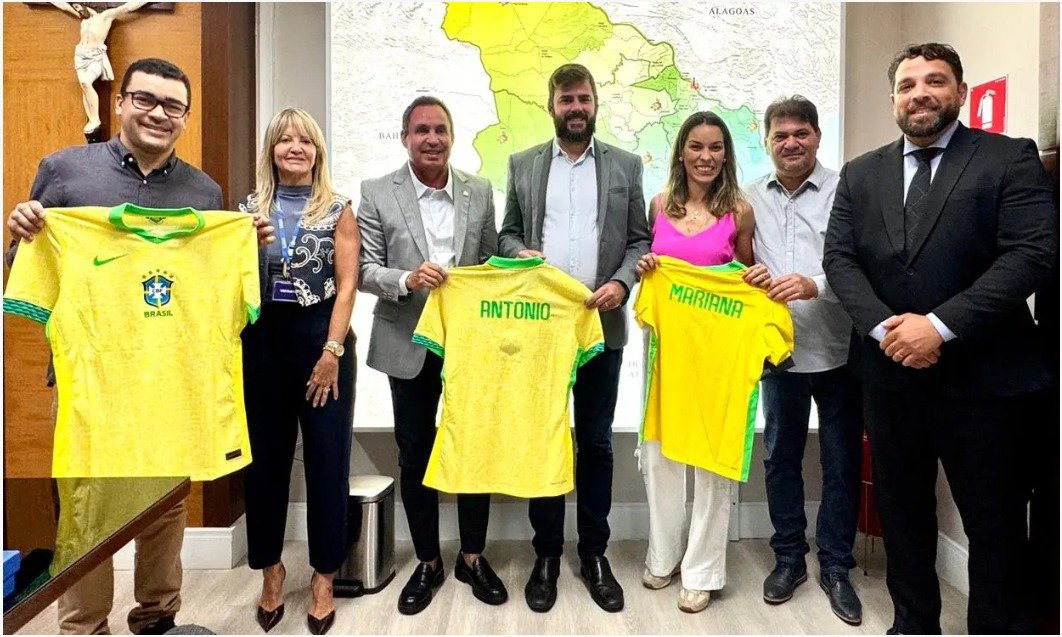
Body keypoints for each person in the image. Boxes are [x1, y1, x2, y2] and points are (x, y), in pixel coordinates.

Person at [5, 57, 272, 636]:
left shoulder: (204, 191)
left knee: (166, 500)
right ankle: (84, 626)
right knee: (88, 503)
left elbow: (213, 282)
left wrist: (247, 246)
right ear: (121, 102)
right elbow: (27, 268)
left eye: (172, 105)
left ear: (185, 117)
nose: (158, 114)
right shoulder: (65, 172)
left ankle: (157, 616)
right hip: (93, 381)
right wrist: (21, 233)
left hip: (172, 376)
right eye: (145, 100)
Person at [822, 42, 1056, 634]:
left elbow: (1032, 253)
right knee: (902, 515)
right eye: (907, 85)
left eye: (934, 81)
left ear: (961, 91)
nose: (919, 93)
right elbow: (840, 259)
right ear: (893, 99)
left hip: (988, 382)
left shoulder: (1008, 158)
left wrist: (939, 327)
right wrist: (886, 328)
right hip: (889, 377)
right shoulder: (860, 172)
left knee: (995, 523)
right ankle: (913, 622)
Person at [498, 63, 651, 614]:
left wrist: (621, 283)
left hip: (601, 325)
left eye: (584, 98)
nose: (576, 107)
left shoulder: (626, 166)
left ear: (595, 103)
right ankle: (545, 554)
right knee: (543, 438)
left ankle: (594, 554)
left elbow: (640, 241)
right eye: (567, 99)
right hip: (540, 327)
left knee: (597, 443)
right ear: (552, 106)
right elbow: (507, 232)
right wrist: (517, 253)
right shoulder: (522, 164)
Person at [357, 96, 506, 615]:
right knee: (415, 451)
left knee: (472, 448)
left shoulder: (478, 191)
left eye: (441, 129)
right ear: (405, 138)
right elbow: (365, 269)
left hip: (470, 342)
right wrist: (407, 278)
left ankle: (472, 557)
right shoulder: (377, 191)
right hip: (408, 341)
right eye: (421, 130)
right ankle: (427, 561)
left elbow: (490, 260)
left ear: (452, 137)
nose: (432, 139)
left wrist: (516, 264)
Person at [633, 111, 768, 613]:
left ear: (726, 154)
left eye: (715, 147)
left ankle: (703, 570)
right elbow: (645, 262)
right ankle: (663, 556)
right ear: (681, 152)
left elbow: (746, 273)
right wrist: (646, 267)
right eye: (696, 146)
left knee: (711, 459)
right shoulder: (658, 205)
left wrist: (756, 277)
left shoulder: (740, 211)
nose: (705, 157)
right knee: (660, 455)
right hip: (664, 349)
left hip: (716, 355)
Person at [239, 108, 359, 636]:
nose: (295, 147)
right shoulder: (247, 211)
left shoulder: (338, 209)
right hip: (263, 340)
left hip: (322, 338)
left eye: (305, 140)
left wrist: (331, 351)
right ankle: (271, 570)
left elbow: (348, 283)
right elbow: (231, 280)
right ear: (271, 149)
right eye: (285, 139)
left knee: (327, 462)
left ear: (317, 152)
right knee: (264, 463)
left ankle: (324, 576)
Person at [744, 96, 864, 625]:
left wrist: (816, 284)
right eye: (780, 135)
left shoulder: (847, 190)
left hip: (840, 350)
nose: (791, 143)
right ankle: (789, 558)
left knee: (841, 462)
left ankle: (836, 566)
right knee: (780, 459)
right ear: (766, 140)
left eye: (801, 133)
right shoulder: (747, 197)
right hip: (779, 354)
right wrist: (745, 273)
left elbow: (863, 263)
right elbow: (732, 259)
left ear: (817, 135)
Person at [49, 1, 148, 141]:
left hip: (95, 56)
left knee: (86, 82)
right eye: (76, 8)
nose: (77, 10)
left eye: (79, 7)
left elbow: (127, 7)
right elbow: (64, 5)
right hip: (80, 56)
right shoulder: (83, 18)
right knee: (84, 87)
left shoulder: (106, 16)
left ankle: (95, 119)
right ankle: (92, 120)